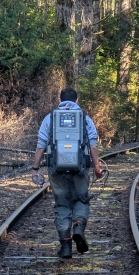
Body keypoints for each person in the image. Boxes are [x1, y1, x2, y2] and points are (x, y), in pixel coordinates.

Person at [32, 87, 103, 258]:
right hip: (80, 168)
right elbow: (93, 145)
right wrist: (97, 167)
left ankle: (65, 245)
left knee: (62, 204)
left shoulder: (51, 118)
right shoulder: (85, 118)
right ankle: (78, 227)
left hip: (56, 168)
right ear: (77, 101)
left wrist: (35, 168)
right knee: (81, 199)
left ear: (60, 100)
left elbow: (41, 145)